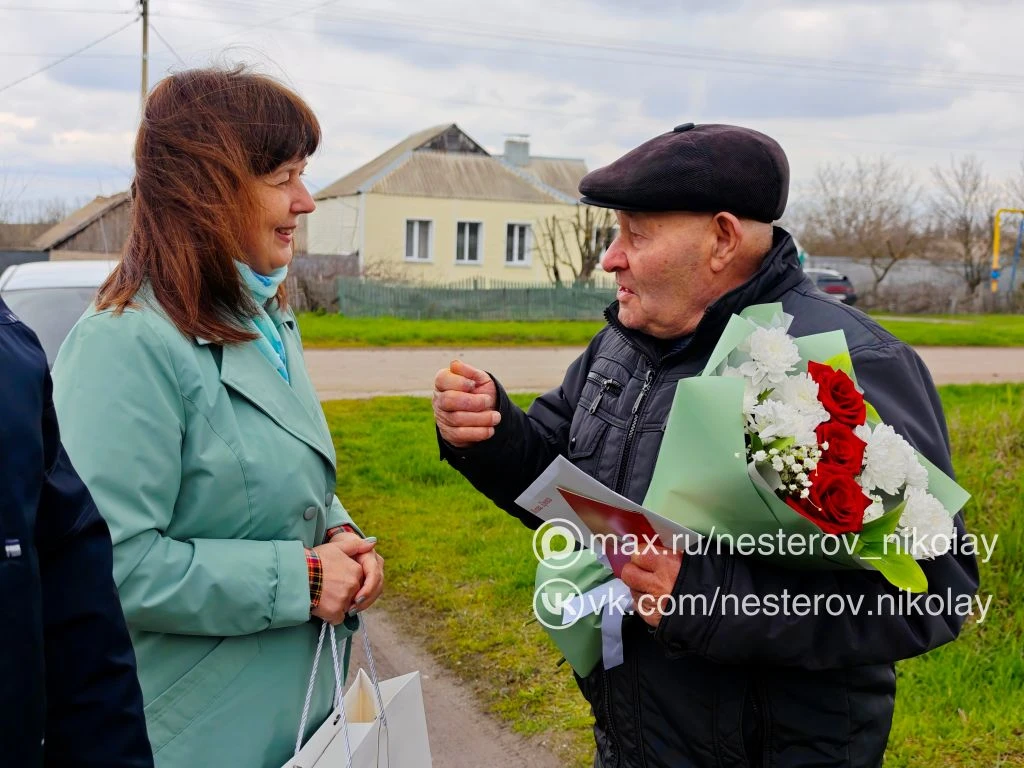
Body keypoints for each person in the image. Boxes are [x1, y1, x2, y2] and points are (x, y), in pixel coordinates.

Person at [432, 123, 979, 768]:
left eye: (636, 234)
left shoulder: (846, 362)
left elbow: (933, 592)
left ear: (722, 238)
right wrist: (491, 433)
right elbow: (565, 488)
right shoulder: (621, 344)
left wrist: (705, 599)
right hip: (634, 739)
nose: (611, 258)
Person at [51, 67, 383, 767]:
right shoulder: (125, 344)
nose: (305, 201)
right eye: (283, 178)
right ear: (209, 191)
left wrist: (339, 531)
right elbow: (114, 563)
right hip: (193, 738)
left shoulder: (264, 319)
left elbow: (279, 472)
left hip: (293, 721)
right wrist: (305, 579)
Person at [1, 296, 153, 767]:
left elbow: (81, 625)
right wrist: (300, 579)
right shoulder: (114, 340)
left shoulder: (13, 354)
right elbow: (135, 559)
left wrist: (334, 525)